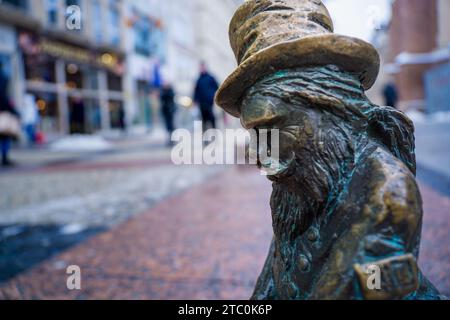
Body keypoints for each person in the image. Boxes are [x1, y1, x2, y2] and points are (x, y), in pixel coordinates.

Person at [0, 62, 19, 166]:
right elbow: (3, 97)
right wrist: (14, 111)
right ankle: (4, 158)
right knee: (4, 136)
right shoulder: (3, 78)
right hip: (3, 112)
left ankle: (4, 157)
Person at [193, 63, 219, 130]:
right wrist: (195, 101)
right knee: (203, 119)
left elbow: (217, 88)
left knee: (211, 117)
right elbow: (196, 91)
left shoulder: (211, 78)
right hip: (202, 103)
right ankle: (205, 135)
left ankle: (214, 131)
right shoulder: (198, 80)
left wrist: (215, 97)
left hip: (210, 102)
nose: (201, 69)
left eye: (203, 67)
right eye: (200, 67)